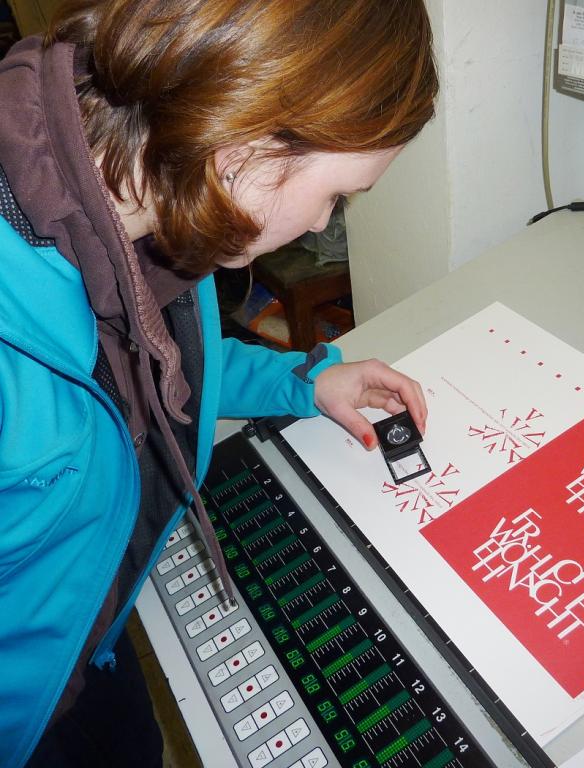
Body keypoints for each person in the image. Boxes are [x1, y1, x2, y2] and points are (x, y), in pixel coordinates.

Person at [0, 0, 438, 765]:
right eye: (337, 196)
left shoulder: (156, 203)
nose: (318, 227)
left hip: (86, 639)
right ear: (244, 146)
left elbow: (159, 362)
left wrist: (304, 382)